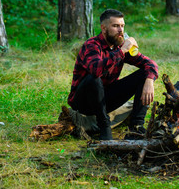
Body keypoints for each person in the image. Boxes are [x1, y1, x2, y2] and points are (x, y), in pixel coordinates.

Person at [68, 9, 159, 140]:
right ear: (103, 28)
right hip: (83, 102)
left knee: (145, 73)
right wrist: (122, 50)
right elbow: (96, 70)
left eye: (122, 26)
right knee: (93, 79)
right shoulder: (92, 45)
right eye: (115, 26)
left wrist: (149, 80)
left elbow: (151, 64)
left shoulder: (118, 47)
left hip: (105, 99)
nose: (120, 30)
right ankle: (104, 127)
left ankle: (136, 129)